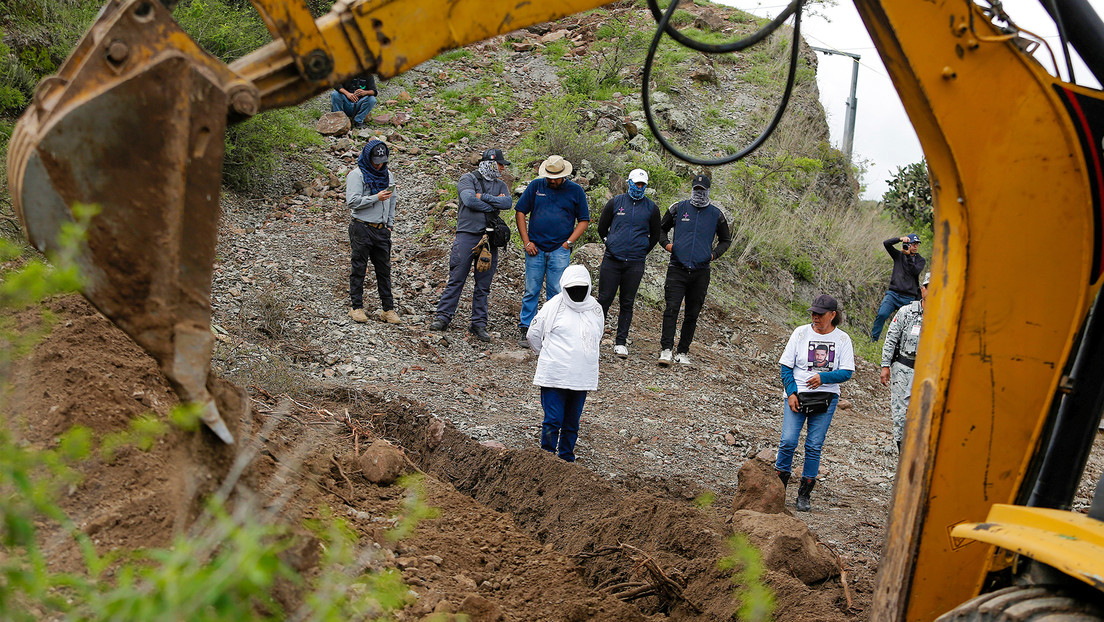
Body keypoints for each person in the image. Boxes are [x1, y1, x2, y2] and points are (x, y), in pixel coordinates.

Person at [775, 294, 855, 512]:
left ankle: (804, 493)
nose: (815, 318)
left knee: (813, 445)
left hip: (826, 398)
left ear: (832, 315)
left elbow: (847, 372)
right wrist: (791, 393)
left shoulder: (842, 339)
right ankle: (778, 487)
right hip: (797, 395)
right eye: (813, 313)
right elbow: (785, 367)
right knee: (789, 440)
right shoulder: (800, 333)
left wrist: (823, 378)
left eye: (820, 314)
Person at [429, 149, 513, 341]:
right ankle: (443, 318)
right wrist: (493, 204)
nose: (502, 168)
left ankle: (479, 324)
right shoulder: (467, 178)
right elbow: (467, 200)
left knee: (483, 284)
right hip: (467, 235)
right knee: (457, 278)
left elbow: (507, 203)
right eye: (500, 164)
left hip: (490, 239)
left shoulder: (501, 184)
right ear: (491, 163)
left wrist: (482, 198)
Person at [526, 265, 604, 462]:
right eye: (572, 288)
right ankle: (547, 457)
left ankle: (567, 458)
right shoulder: (553, 306)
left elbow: (597, 336)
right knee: (553, 420)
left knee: (572, 423)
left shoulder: (595, 309)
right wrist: (547, 356)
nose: (576, 292)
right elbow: (533, 334)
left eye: (581, 288)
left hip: (581, 377)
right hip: (555, 375)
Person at [515, 155, 590, 347]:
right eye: (549, 177)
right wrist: (526, 242)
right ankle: (526, 326)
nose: (552, 180)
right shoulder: (536, 186)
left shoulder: (575, 191)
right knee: (531, 289)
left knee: (556, 291)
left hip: (560, 249)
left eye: (556, 177)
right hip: (535, 248)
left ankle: (552, 328)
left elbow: (584, 219)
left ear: (564, 175)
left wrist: (569, 243)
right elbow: (520, 211)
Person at [657, 174, 732, 366]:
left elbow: (726, 240)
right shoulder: (678, 208)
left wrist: (713, 255)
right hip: (677, 268)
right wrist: (668, 245)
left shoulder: (716, 214)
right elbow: (660, 229)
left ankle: (683, 351)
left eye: (702, 190)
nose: (699, 193)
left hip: (700, 271)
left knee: (692, 313)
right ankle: (666, 350)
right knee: (671, 309)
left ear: (708, 191)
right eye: (696, 189)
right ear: (692, 189)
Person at [596, 168, 662, 358]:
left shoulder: (651, 208)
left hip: (634, 263)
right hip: (612, 260)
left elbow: (655, 235)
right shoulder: (616, 202)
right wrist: (610, 244)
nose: (639, 187)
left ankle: (620, 342)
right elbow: (602, 228)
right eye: (636, 183)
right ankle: (595, 337)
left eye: (642, 184)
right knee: (604, 299)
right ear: (629, 182)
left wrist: (640, 250)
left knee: (627, 302)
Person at [347, 139, 400, 325]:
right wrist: (375, 198)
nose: (379, 165)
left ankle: (388, 309)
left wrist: (390, 224)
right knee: (359, 268)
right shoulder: (357, 175)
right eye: (376, 161)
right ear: (368, 157)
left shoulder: (388, 175)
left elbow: (393, 200)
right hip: (361, 227)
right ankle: (356, 306)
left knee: (384, 270)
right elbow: (352, 202)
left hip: (382, 229)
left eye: (382, 161)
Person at [880, 272, 929, 451]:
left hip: (928, 371)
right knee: (900, 413)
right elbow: (891, 338)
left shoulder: (944, 316)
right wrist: (885, 365)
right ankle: (903, 451)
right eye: (929, 288)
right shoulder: (907, 312)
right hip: (904, 367)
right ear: (922, 289)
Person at [870, 234, 926, 341]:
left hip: (909, 297)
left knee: (908, 323)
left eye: (917, 244)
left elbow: (915, 271)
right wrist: (900, 239)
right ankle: (873, 339)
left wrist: (909, 256)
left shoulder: (920, 260)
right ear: (907, 244)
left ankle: (902, 344)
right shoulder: (898, 256)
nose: (915, 246)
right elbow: (886, 243)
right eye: (912, 244)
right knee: (882, 314)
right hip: (893, 294)